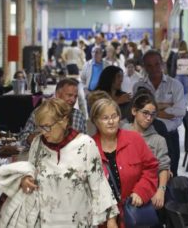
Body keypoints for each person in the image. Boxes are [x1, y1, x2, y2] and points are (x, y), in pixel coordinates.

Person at [17, 98, 119, 227]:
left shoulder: (85, 145)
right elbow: (29, 174)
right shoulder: (37, 143)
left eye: (47, 127)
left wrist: (111, 220)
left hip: (78, 223)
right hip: (44, 223)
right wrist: (25, 179)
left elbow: (99, 185)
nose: (43, 132)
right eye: (40, 127)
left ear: (64, 121)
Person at [91, 98, 158, 228]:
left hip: (133, 213)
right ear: (95, 121)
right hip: (102, 219)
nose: (111, 122)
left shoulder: (134, 139)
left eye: (114, 116)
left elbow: (151, 168)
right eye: (105, 118)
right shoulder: (88, 147)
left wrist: (141, 191)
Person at [133, 50, 186, 177]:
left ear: (162, 64)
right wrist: (166, 107)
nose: (154, 68)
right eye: (149, 65)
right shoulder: (138, 86)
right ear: (144, 67)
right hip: (145, 138)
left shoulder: (175, 85)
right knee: (145, 176)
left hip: (170, 137)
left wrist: (151, 111)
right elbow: (137, 112)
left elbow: (180, 111)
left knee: (170, 175)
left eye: (156, 64)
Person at [123, 93, 171, 211]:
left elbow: (164, 167)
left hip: (148, 189)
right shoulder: (121, 131)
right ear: (134, 111)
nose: (149, 118)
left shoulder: (158, 140)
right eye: (145, 113)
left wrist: (161, 190)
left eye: (153, 115)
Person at [18, 78, 87, 147]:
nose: (73, 100)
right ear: (58, 95)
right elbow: (23, 138)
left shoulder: (79, 115)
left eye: (75, 96)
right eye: (69, 95)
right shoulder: (40, 112)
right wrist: (40, 137)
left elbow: (84, 143)